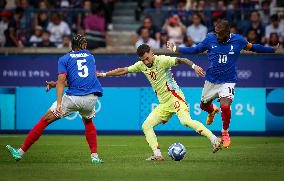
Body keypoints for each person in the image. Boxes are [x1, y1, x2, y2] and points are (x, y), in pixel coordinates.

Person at [97, 44, 222, 161]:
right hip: (164, 104)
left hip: (175, 97)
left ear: (151, 53)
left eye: (147, 58)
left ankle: (214, 139)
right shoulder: (141, 65)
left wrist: (194, 67)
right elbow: (124, 70)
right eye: (143, 60)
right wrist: (103, 74)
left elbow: (182, 59)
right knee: (146, 126)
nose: (146, 62)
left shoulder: (162, 60)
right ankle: (157, 155)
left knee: (185, 121)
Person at [167, 19, 278, 148]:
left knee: (225, 107)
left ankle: (225, 132)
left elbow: (253, 47)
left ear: (227, 32)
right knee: (203, 106)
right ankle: (212, 110)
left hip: (228, 81)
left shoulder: (238, 40)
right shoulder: (210, 39)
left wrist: (272, 49)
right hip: (211, 80)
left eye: (220, 34)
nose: (217, 36)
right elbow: (195, 49)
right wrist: (175, 48)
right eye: (216, 33)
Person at [6, 34, 104, 164]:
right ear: (83, 46)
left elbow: (62, 81)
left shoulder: (64, 58)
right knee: (88, 122)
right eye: (85, 44)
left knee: (45, 120)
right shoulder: (91, 57)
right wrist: (55, 83)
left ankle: (19, 152)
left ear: (71, 45)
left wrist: (59, 102)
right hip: (91, 99)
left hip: (73, 98)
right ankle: (95, 156)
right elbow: (80, 80)